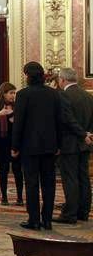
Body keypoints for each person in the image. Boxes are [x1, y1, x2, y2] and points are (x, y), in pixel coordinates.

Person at [12, 62, 65, 230]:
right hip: (50, 146)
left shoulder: (23, 94)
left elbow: (18, 123)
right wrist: (59, 144)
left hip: (30, 147)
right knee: (49, 184)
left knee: (32, 184)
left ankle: (34, 219)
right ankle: (47, 220)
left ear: (28, 76)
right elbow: (59, 121)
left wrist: (15, 146)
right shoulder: (54, 94)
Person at [56, 68, 93, 224]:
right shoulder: (87, 95)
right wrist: (88, 135)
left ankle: (70, 214)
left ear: (62, 80)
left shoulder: (63, 95)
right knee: (83, 178)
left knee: (70, 179)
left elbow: (68, 120)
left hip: (69, 144)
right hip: (85, 144)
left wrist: (82, 134)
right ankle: (83, 211)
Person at [0, 82, 22, 206]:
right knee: (3, 170)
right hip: (2, 143)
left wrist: (14, 120)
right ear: (4, 94)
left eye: (14, 93)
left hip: (15, 143)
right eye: (11, 93)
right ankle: (4, 197)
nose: (13, 96)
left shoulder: (18, 107)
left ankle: (19, 197)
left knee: (18, 170)